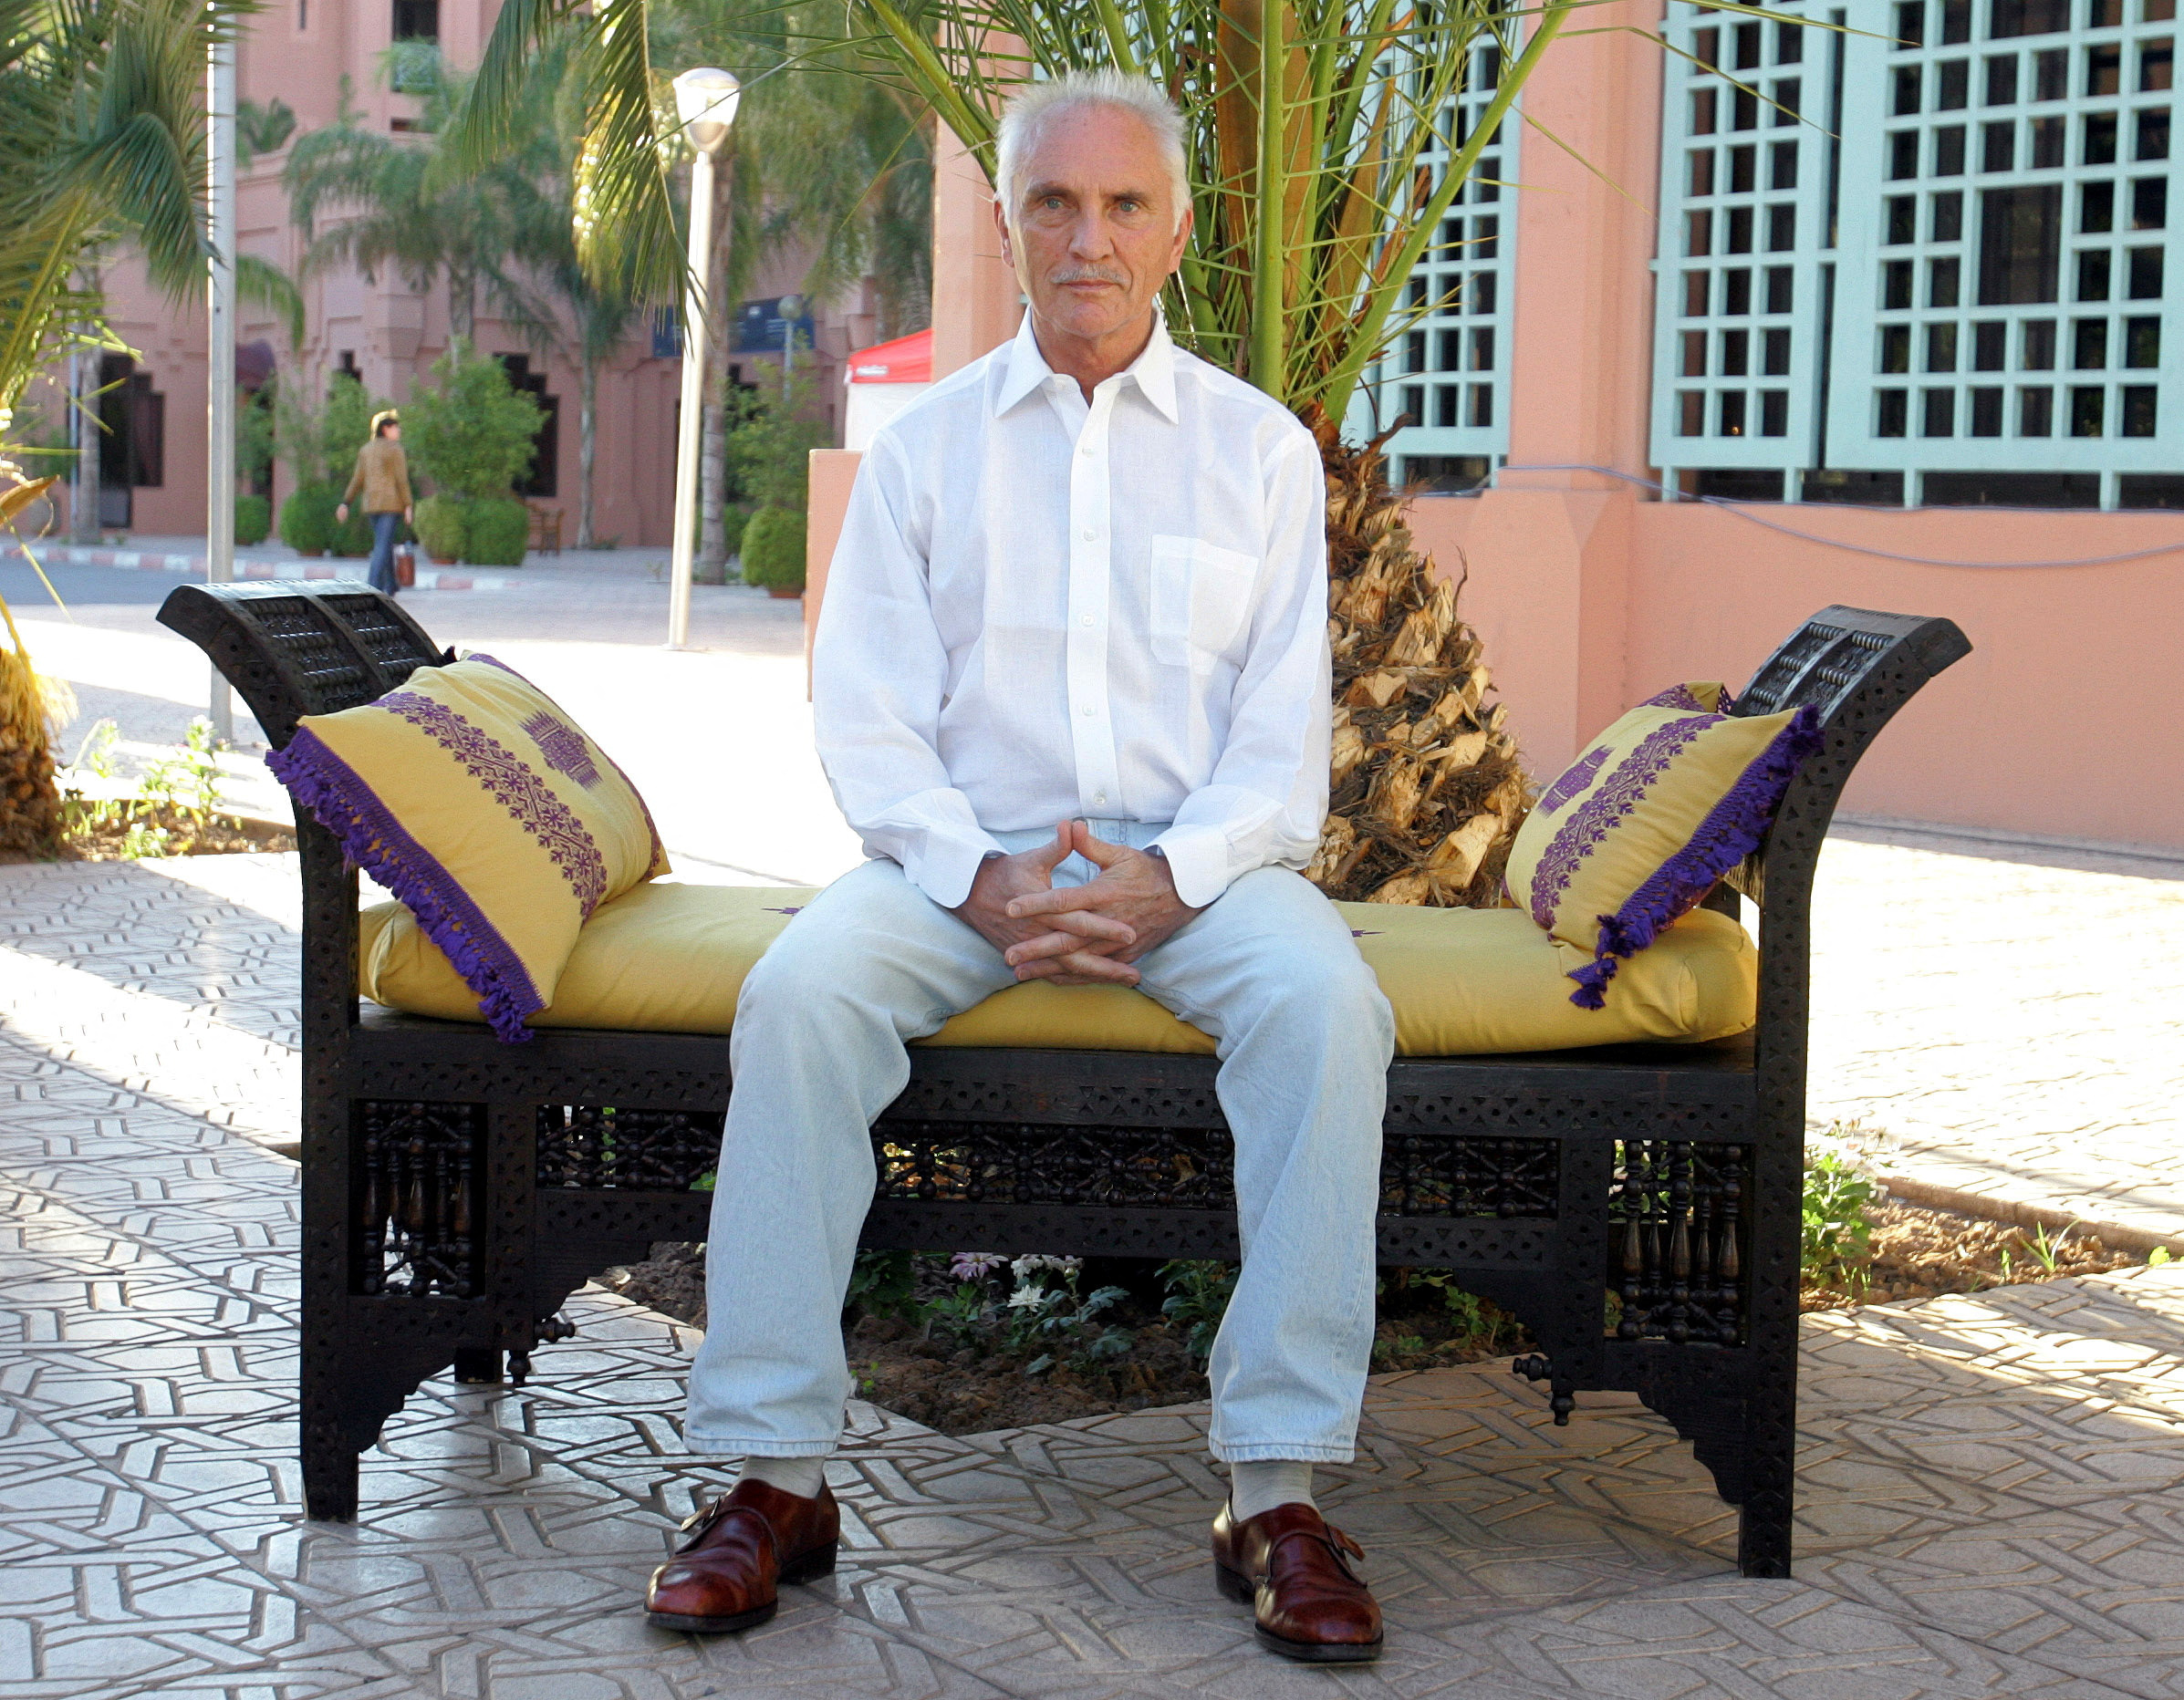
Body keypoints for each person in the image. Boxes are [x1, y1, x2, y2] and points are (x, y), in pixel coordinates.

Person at [645, 70, 1395, 1665]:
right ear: (1004, 222)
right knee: (797, 998)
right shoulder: (923, 452)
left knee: (1327, 1006)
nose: (1087, 236)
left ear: (1175, 229)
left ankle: (1274, 1491)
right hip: (952, 874)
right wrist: (977, 874)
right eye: (1052, 201)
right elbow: (862, 717)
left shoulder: (1256, 455)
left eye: (1123, 203)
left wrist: (1165, 877)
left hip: (1194, 877)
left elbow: (1279, 750)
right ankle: (774, 1474)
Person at [336, 409, 412, 595]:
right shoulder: (395, 450)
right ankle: (373, 587)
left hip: (371, 505)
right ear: (386, 429)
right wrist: (408, 505)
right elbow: (401, 480)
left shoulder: (366, 450)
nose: (399, 431)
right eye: (396, 427)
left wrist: (346, 502)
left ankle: (391, 585)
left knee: (383, 543)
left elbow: (357, 479)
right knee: (382, 545)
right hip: (391, 504)